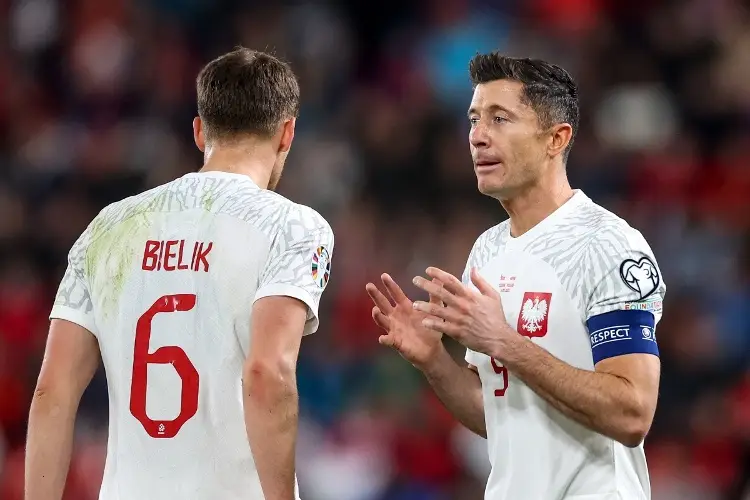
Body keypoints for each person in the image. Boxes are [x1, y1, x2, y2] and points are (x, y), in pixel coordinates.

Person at [26, 47, 334, 500]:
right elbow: (267, 372)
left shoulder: (109, 228)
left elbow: (52, 392)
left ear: (198, 130)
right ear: (287, 133)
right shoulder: (293, 227)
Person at [366, 53, 664, 499]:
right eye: (473, 119)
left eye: (500, 118)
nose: (477, 136)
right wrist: (433, 361)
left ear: (555, 139)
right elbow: (497, 415)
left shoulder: (608, 245)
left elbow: (632, 414)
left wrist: (503, 341)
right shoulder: (486, 251)